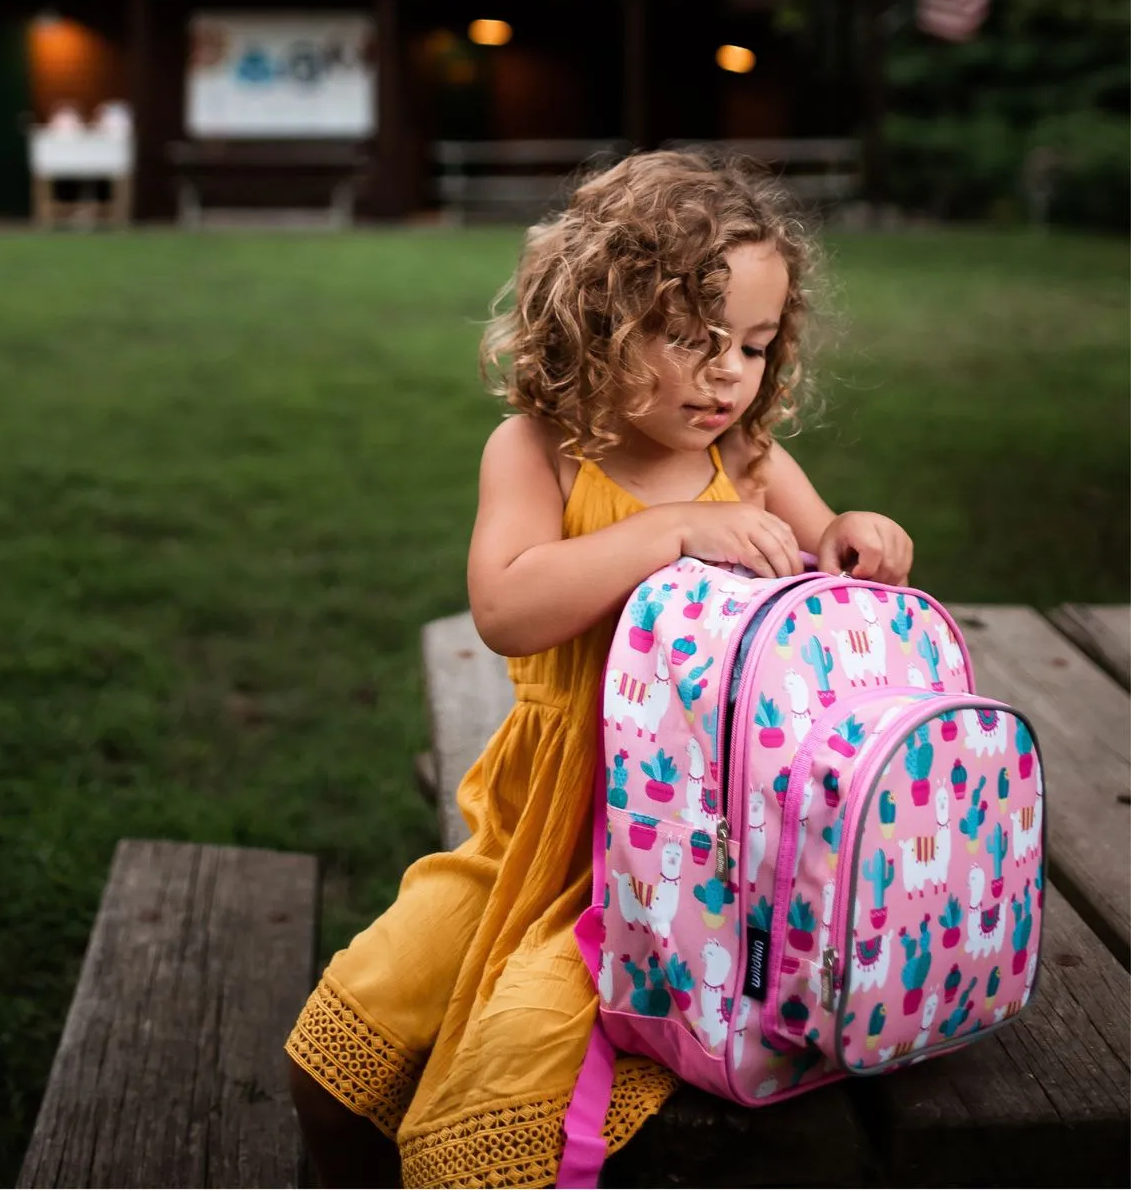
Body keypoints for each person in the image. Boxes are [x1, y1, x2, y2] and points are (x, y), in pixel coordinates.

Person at [286, 148, 914, 1189]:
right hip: (532, 824)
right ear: (598, 323)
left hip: (677, 863)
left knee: (501, 1089)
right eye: (690, 338)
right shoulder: (538, 451)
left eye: (754, 347)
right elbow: (507, 608)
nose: (729, 374)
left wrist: (858, 536)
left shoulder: (751, 462)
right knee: (338, 1044)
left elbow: (828, 589)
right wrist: (667, 531)